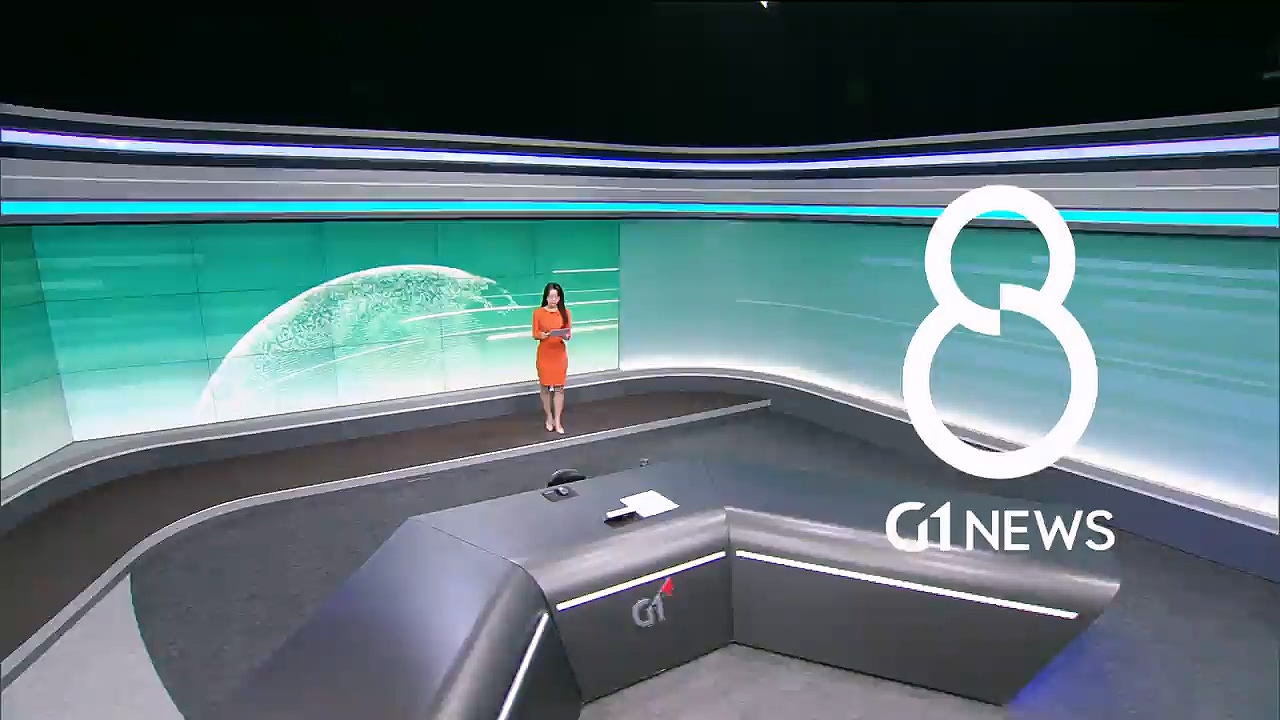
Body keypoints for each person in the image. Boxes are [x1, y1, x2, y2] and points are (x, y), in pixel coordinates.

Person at [533, 282, 571, 433]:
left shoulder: (565, 313)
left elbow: (568, 334)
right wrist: (542, 335)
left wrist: (565, 335)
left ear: (560, 298)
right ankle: (549, 417)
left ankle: (558, 420)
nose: (553, 300)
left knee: (559, 388)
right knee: (545, 387)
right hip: (545, 353)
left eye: (556, 297)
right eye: (551, 297)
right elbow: (535, 333)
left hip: (559, 354)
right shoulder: (538, 313)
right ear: (546, 297)